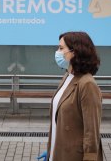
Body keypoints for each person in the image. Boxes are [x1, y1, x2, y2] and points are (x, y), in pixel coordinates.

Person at [45, 32, 102, 161]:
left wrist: (90, 158)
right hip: (58, 152)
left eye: (61, 48)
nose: (57, 52)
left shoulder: (87, 84)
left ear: (75, 52)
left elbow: (91, 130)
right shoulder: (68, 76)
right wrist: (51, 149)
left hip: (73, 155)